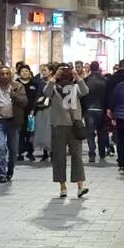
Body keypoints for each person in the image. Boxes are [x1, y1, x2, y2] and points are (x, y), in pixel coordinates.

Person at [46, 64, 89, 198]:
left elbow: (86, 91)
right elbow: (45, 92)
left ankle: (80, 186)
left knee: (77, 156)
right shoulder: (53, 87)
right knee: (59, 157)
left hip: (74, 125)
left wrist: (78, 77)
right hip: (58, 125)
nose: (65, 74)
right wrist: (54, 77)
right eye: (62, 71)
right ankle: (62, 186)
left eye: (67, 71)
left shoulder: (75, 87)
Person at [0, 65, 29, 183]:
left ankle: (10, 169)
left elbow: (25, 102)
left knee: (13, 149)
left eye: (7, 74)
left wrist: (14, 95)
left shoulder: (18, 86)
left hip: (13, 121)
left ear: (11, 76)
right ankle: (1, 174)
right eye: (3, 74)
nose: (5, 76)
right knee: (0, 147)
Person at [82, 61, 110, 163]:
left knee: (90, 133)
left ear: (90, 68)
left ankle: (92, 153)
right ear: (98, 68)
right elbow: (108, 96)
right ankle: (102, 153)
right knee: (101, 132)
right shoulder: (104, 81)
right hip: (101, 109)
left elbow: (82, 96)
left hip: (88, 109)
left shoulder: (86, 80)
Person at [32, 65, 54, 163]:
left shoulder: (55, 82)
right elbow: (37, 96)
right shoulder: (41, 83)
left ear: (51, 71)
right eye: (42, 70)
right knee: (43, 130)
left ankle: (53, 152)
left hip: (52, 109)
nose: (43, 72)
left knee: (51, 131)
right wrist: (33, 109)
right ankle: (45, 153)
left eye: (45, 70)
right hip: (42, 109)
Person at [17, 64, 38, 161]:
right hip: (19, 112)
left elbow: (36, 98)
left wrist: (34, 109)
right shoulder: (15, 83)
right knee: (20, 133)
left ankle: (30, 152)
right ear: (19, 73)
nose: (25, 73)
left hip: (31, 113)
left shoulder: (34, 84)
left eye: (26, 71)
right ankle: (19, 152)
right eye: (22, 71)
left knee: (30, 133)